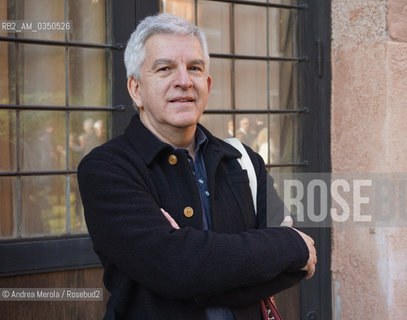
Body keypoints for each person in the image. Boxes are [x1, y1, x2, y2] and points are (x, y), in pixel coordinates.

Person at [77, 13, 316, 320]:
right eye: (165, 69)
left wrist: (196, 269)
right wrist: (281, 248)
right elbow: (176, 268)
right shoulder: (107, 169)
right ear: (136, 89)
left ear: (208, 83)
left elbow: (292, 269)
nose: (184, 81)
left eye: (194, 68)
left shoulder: (242, 159)